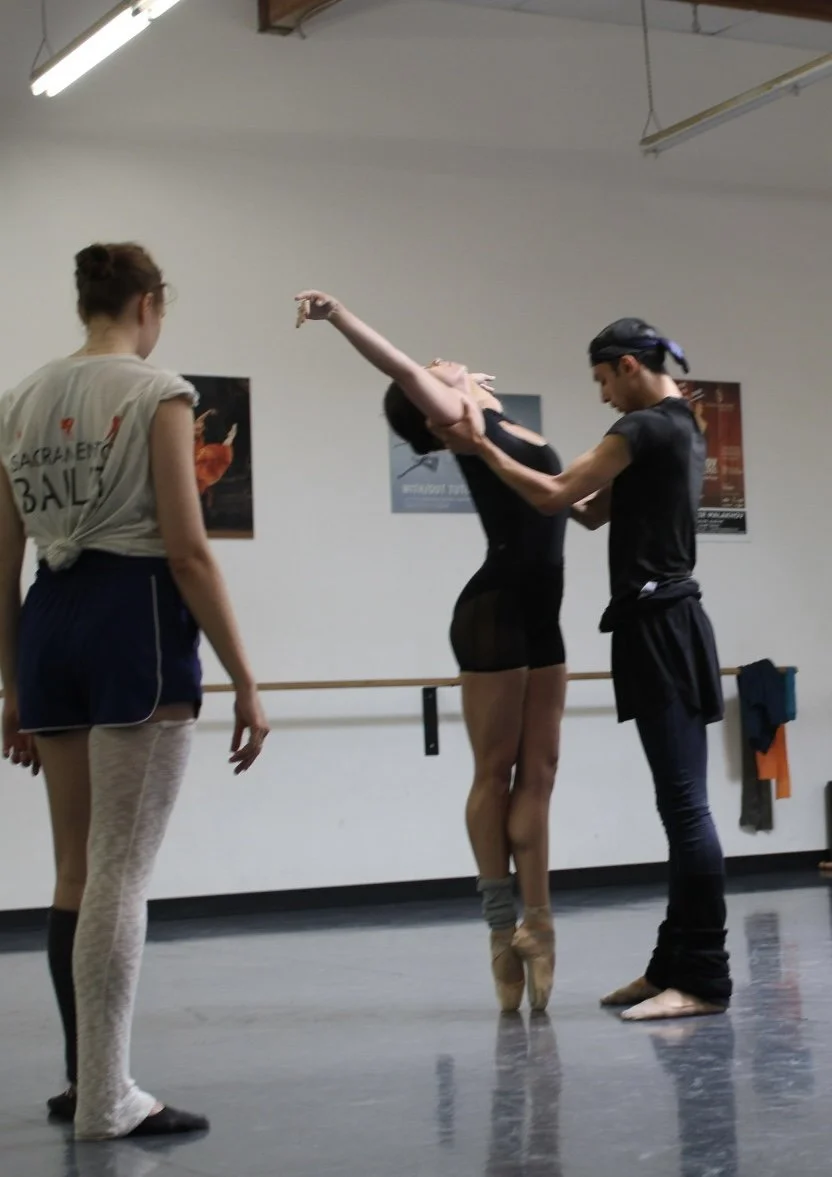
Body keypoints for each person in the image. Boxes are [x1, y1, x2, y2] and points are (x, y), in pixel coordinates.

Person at [0, 242, 269, 1138]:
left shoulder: (20, 401)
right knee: (122, 870)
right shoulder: (160, 392)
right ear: (148, 303)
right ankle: (107, 1098)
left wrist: (11, 686)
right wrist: (244, 676)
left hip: (50, 621)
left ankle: (87, 1081)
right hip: (133, 618)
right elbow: (189, 549)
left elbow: (4, 565)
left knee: (77, 867)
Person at [431, 317, 732, 1021]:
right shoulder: (681, 425)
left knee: (686, 807)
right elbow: (592, 511)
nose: (601, 396)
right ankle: (671, 966)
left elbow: (555, 493)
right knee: (678, 804)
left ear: (627, 365)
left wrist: (479, 445)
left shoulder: (644, 428)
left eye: (601, 380)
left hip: (660, 626)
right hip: (663, 623)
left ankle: (705, 980)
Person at [295, 290, 568, 1013]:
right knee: (495, 769)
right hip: (495, 612)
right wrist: (338, 314)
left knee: (539, 771)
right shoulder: (459, 424)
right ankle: (498, 926)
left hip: (545, 619)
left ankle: (539, 925)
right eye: (432, 368)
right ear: (432, 407)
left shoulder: (499, 421)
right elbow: (398, 366)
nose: (442, 360)